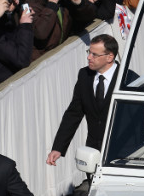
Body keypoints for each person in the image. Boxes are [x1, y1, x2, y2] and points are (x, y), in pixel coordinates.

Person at [47, 34, 120, 165]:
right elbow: (74, 113)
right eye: (89, 52)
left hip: (121, 153)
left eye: (94, 55)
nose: (89, 57)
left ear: (110, 57)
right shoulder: (84, 75)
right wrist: (58, 147)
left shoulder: (127, 79)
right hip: (92, 153)